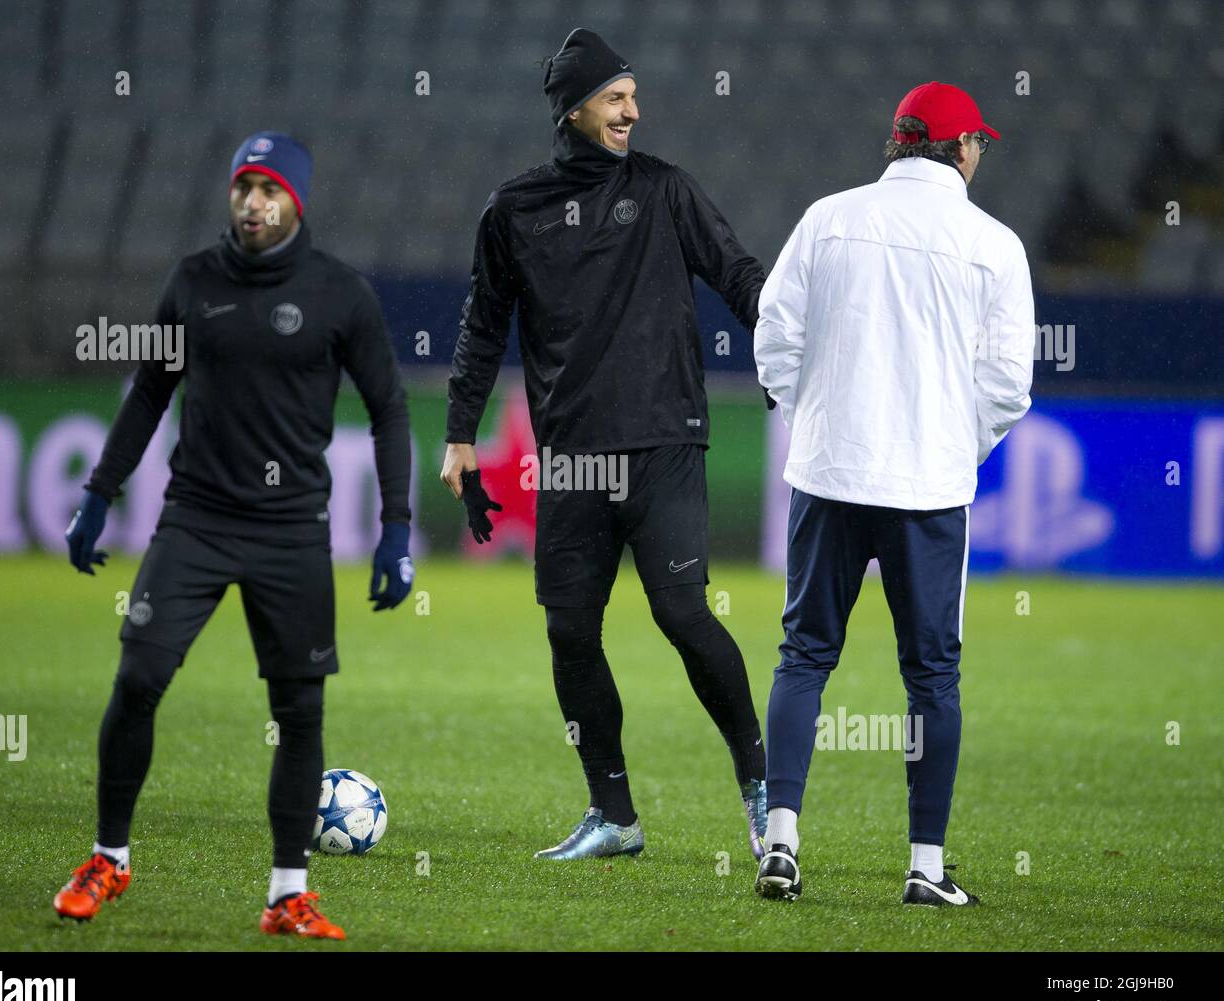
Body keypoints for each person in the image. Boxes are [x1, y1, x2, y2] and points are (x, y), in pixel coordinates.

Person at [56, 132, 413, 938]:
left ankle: (289, 892)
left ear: (297, 200)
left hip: (292, 530)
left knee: (299, 711)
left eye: (270, 189)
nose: (253, 202)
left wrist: (396, 526)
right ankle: (107, 855)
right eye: (243, 187)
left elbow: (390, 408)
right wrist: (97, 493)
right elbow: (150, 391)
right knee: (138, 676)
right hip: (198, 518)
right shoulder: (193, 282)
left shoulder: (339, 294)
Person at [442, 29, 770, 861]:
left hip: (663, 439)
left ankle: (764, 791)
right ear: (575, 108)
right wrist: (458, 435)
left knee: (683, 614)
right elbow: (483, 329)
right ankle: (613, 813)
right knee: (570, 632)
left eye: (633, 95)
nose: (634, 110)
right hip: (574, 456)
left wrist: (784, 351)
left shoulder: (664, 191)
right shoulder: (512, 210)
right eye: (618, 97)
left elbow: (741, 277)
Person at [753, 83, 1034, 904]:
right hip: (929, 488)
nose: (981, 153)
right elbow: (1007, 386)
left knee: (804, 656)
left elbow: (775, 333)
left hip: (829, 474)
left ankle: (780, 845)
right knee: (932, 679)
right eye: (979, 140)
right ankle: (926, 868)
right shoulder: (995, 244)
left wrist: (814, 422)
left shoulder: (827, 217)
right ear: (961, 148)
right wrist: (955, 444)